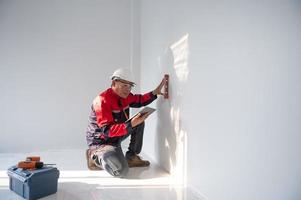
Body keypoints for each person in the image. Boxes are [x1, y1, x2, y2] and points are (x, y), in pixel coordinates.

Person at [86, 68, 165, 177]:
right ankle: (95, 157)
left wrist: (154, 93)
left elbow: (140, 100)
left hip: (115, 137)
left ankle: (131, 157)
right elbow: (107, 131)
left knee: (139, 122)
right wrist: (131, 123)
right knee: (120, 171)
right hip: (101, 142)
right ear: (114, 83)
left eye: (130, 86)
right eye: (124, 85)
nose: (128, 89)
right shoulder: (101, 101)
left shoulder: (125, 96)